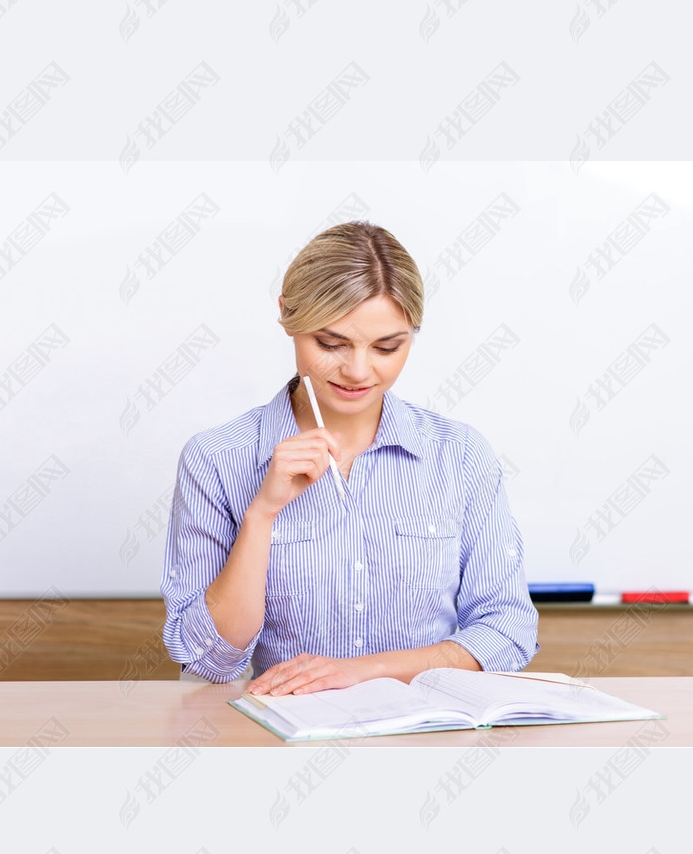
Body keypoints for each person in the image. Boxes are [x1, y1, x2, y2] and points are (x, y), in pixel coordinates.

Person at [161, 221, 539, 694]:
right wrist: (263, 513)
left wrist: (364, 671)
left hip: (428, 735)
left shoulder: (459, 456)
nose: (358, 371)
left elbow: (507, 632)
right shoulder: (217, 460)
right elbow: (209, 660)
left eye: (387, 347)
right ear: (287, 316)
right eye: (331, 344)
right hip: (286, 738)